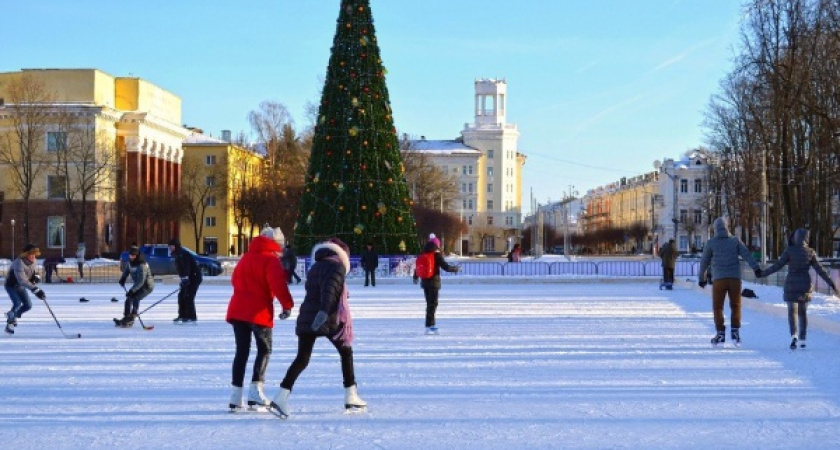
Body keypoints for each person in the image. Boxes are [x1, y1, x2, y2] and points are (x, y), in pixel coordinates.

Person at [270, 237, 366, 418]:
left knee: (302, 359)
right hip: (326, 317)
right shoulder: (336, 268)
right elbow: (328, 291)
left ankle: (281, 395)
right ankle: (350, 394)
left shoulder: (316, 267)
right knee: (346, 351)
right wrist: (323, 313)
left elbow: (315, 290)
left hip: (307, 316)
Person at [226, 227, 294, 411]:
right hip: (258, 312)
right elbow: (278, 284)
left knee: (242, 351)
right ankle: (256, 390)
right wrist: (287, 305)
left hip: (238, 309)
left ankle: (235, 395)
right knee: (264, 349)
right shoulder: (270, 260)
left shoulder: (245, 258)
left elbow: (234, 280)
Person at [758, 228, 837, 350]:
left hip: (791, 285)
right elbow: (820, 270)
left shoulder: (789, 251)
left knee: (792, 312)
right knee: (802, 313)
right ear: (806, 238)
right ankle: (803, 339)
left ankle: (793, 335)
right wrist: (831, 283)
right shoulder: (810, 252)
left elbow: (777, 266)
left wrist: (763, 273)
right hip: (805, 285)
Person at [698, 217, 762, 346]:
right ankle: (735, 332)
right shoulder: (735, 241)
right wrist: (756, 268)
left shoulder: (711, 243)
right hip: (734, 279)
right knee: (736, 305)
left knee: (718, 307)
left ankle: (720, 334)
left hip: (719, 280)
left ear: (715, 228)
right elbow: (747, 255)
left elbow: (704, 261)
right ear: (727, 227)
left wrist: (702, 278)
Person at [413, 235, 460, 335]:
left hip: (425, 282)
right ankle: (430, 326)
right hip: (434, 282)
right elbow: (445, 267)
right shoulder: (436, 255)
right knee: (433, 304)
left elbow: (417, 267)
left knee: (429, 304)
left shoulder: (423, 253)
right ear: (437, 245)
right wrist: (455, 269)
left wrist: (415, 277)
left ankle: (429, 325)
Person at [4, 244, 46, 335]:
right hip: (11, 285)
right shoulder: (19, 263)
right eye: (31, 254)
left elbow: (31, 273)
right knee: (17, 303)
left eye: (34, 254)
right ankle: (9, 324)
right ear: (25, 255)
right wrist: (36, 290)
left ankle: (12, 315)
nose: (33, 256)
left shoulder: (34, 261)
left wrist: (35, 277)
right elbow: (22, 280)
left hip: (20, 286)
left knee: (28, 305)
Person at [115, 247, 155, 328]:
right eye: (130, 255)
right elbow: (126, 271)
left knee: (136, 298)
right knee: (128, 299)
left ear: (137, 256)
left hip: (147, 286)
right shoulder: (130, 263)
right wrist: (123, 279)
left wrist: (132, 290)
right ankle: (126, 317)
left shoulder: (142, 265)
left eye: (133, 256)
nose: (131, 257)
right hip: (138, 284)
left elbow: (141, 281)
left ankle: (132, 317)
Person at [169, 238, 202, 324]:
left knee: (189, 296)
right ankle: (182, 315)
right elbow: (181, 269)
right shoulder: (177, 254)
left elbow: (187, 267)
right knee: (181, 296)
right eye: (169, 246)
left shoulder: (183, 254)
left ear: (176, 246)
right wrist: (183, 279)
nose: (170, 248)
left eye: (171, 246)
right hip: (187, 278)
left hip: (194, 277)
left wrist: (186, 278)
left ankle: (191, 316)